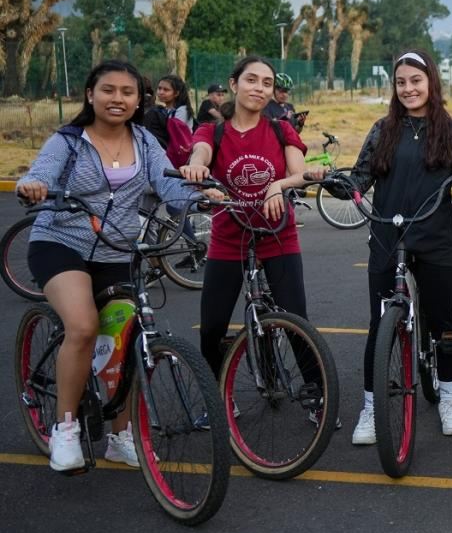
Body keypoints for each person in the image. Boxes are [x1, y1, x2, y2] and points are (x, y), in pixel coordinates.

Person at [16, 59, 201, 471]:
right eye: (109, 90)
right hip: (61, 243)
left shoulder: (145, 141)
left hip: (117, 250)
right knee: (83, 326)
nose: (118, 98)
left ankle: (121, 434)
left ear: (139, 101)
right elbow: (40, 174)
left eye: (127, 92)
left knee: (127, 337)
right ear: (90, 95)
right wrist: (34, 187)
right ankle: (65, 430)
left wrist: (197, 196)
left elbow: (167, 182)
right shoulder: (68, 140)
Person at [342, 50, 452, 444]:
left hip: (436, 239)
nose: (408, 89)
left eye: (415, 81)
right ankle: (371, 407)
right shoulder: (381, 129)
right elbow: (359, 179)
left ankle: (449, 397)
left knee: (444, 324)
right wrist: (336, 182)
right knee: (378, 325)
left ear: (431, 83)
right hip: (388, 236)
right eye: (401, 82)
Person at [179, 56, 319, 375]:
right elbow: (199, 153)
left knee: (296, 321)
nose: (259, 88)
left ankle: (316, 393)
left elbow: (300, 174)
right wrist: (198, 167)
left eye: (266, 83)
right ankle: (218, 397)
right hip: (229, 239)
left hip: (278, 235)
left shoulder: (280, 128)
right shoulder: (211, 132)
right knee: (212, 328)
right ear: (234, 84)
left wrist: (277, 185)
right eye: (251, 80)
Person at [142, 74, 192, 150]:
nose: (161, 92)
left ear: (176, 93)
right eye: (159, 88)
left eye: (166, 90)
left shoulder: (182, 110)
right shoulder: (164, 109)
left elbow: (175, 134)